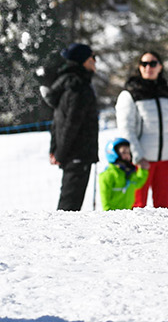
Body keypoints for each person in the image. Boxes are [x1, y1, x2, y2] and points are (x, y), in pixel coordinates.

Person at [115, 50, 168, 208]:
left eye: (152, 63)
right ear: (139, 67)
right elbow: (126, 129)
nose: (148, 67)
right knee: (137, 206)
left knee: (164, 207)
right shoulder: (130, 94)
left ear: (160, 67)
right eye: (144, 64)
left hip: (166, 161)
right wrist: (137, 157)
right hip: (141, 162)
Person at [47, 42, 100, 211]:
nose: (95, 61)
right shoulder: (79, 87)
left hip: (72, 153)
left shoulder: (68, 83)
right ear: (83, 60)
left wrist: (55, 149)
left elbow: (57, 120)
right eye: (93, 57)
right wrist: (60, 153)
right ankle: (59, 237)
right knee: (69, 209)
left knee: (69, 206)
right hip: (78, 154)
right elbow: (71, 123)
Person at [98, 137, 150, 210]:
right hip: (113, 214)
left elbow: (138, 184)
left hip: (127, 213)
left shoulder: (130, 172)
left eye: (129, 152)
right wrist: (108, 215)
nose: (127, 155)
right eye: (124, 152)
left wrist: (143, 171)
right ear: (114, 153)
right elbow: (105, 200)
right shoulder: (108, 175)